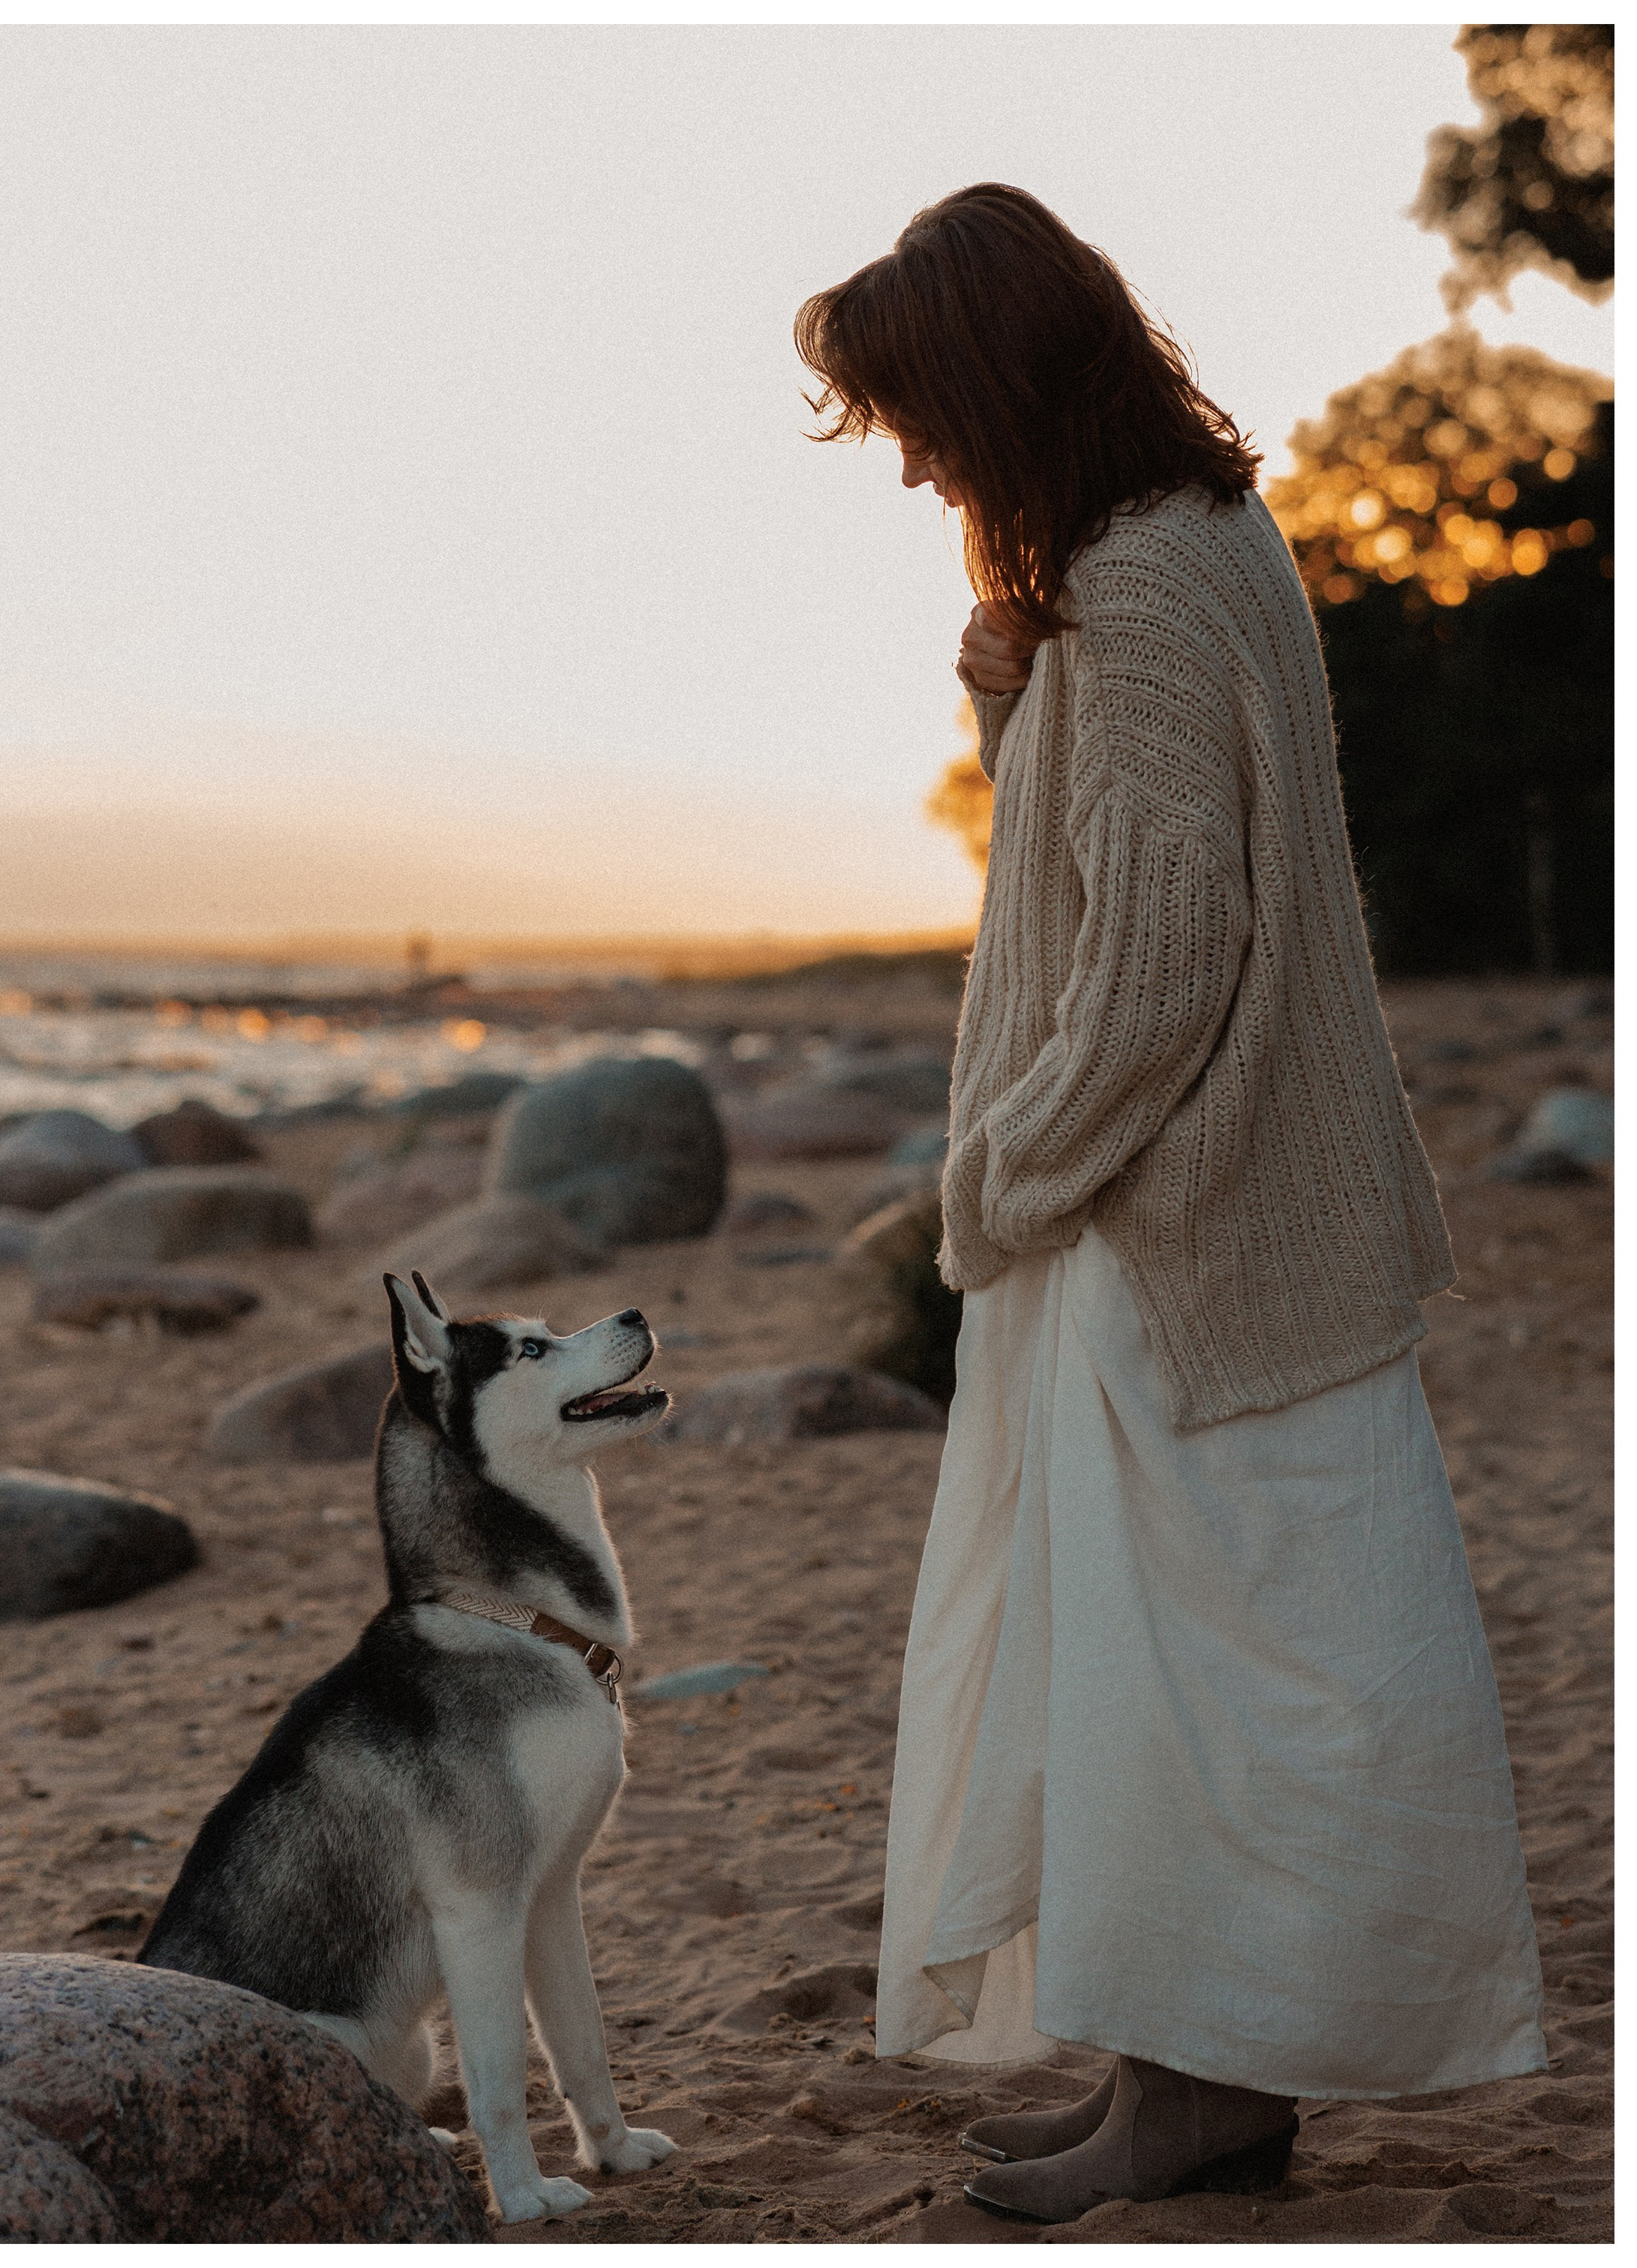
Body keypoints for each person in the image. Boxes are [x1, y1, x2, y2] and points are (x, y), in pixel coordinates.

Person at [793, 184, 1546, 2225]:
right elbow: (1120, 861)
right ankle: (1190, 2086)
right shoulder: (1199, 547)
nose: (913, 458)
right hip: (1252, 1212)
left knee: (1173, 1683)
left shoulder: (1130, 590)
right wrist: (1004, 708)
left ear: (994, 381)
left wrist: (998, 1174)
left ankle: (1191, 2099)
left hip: (1171, 1222)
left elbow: (1152, 959)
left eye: (918, 417)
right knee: (1210, 1666)